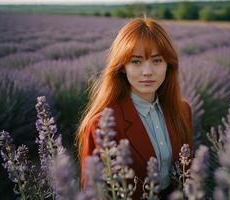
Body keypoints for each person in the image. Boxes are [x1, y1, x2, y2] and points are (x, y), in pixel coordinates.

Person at [76, 16, 193, 199]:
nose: (147, 72)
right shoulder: (101, 125)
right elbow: (92, 192)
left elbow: (187, 171)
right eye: (136, 61)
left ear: (168, 64)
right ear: (122, 67)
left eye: (156, 60)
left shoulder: (183, 111)